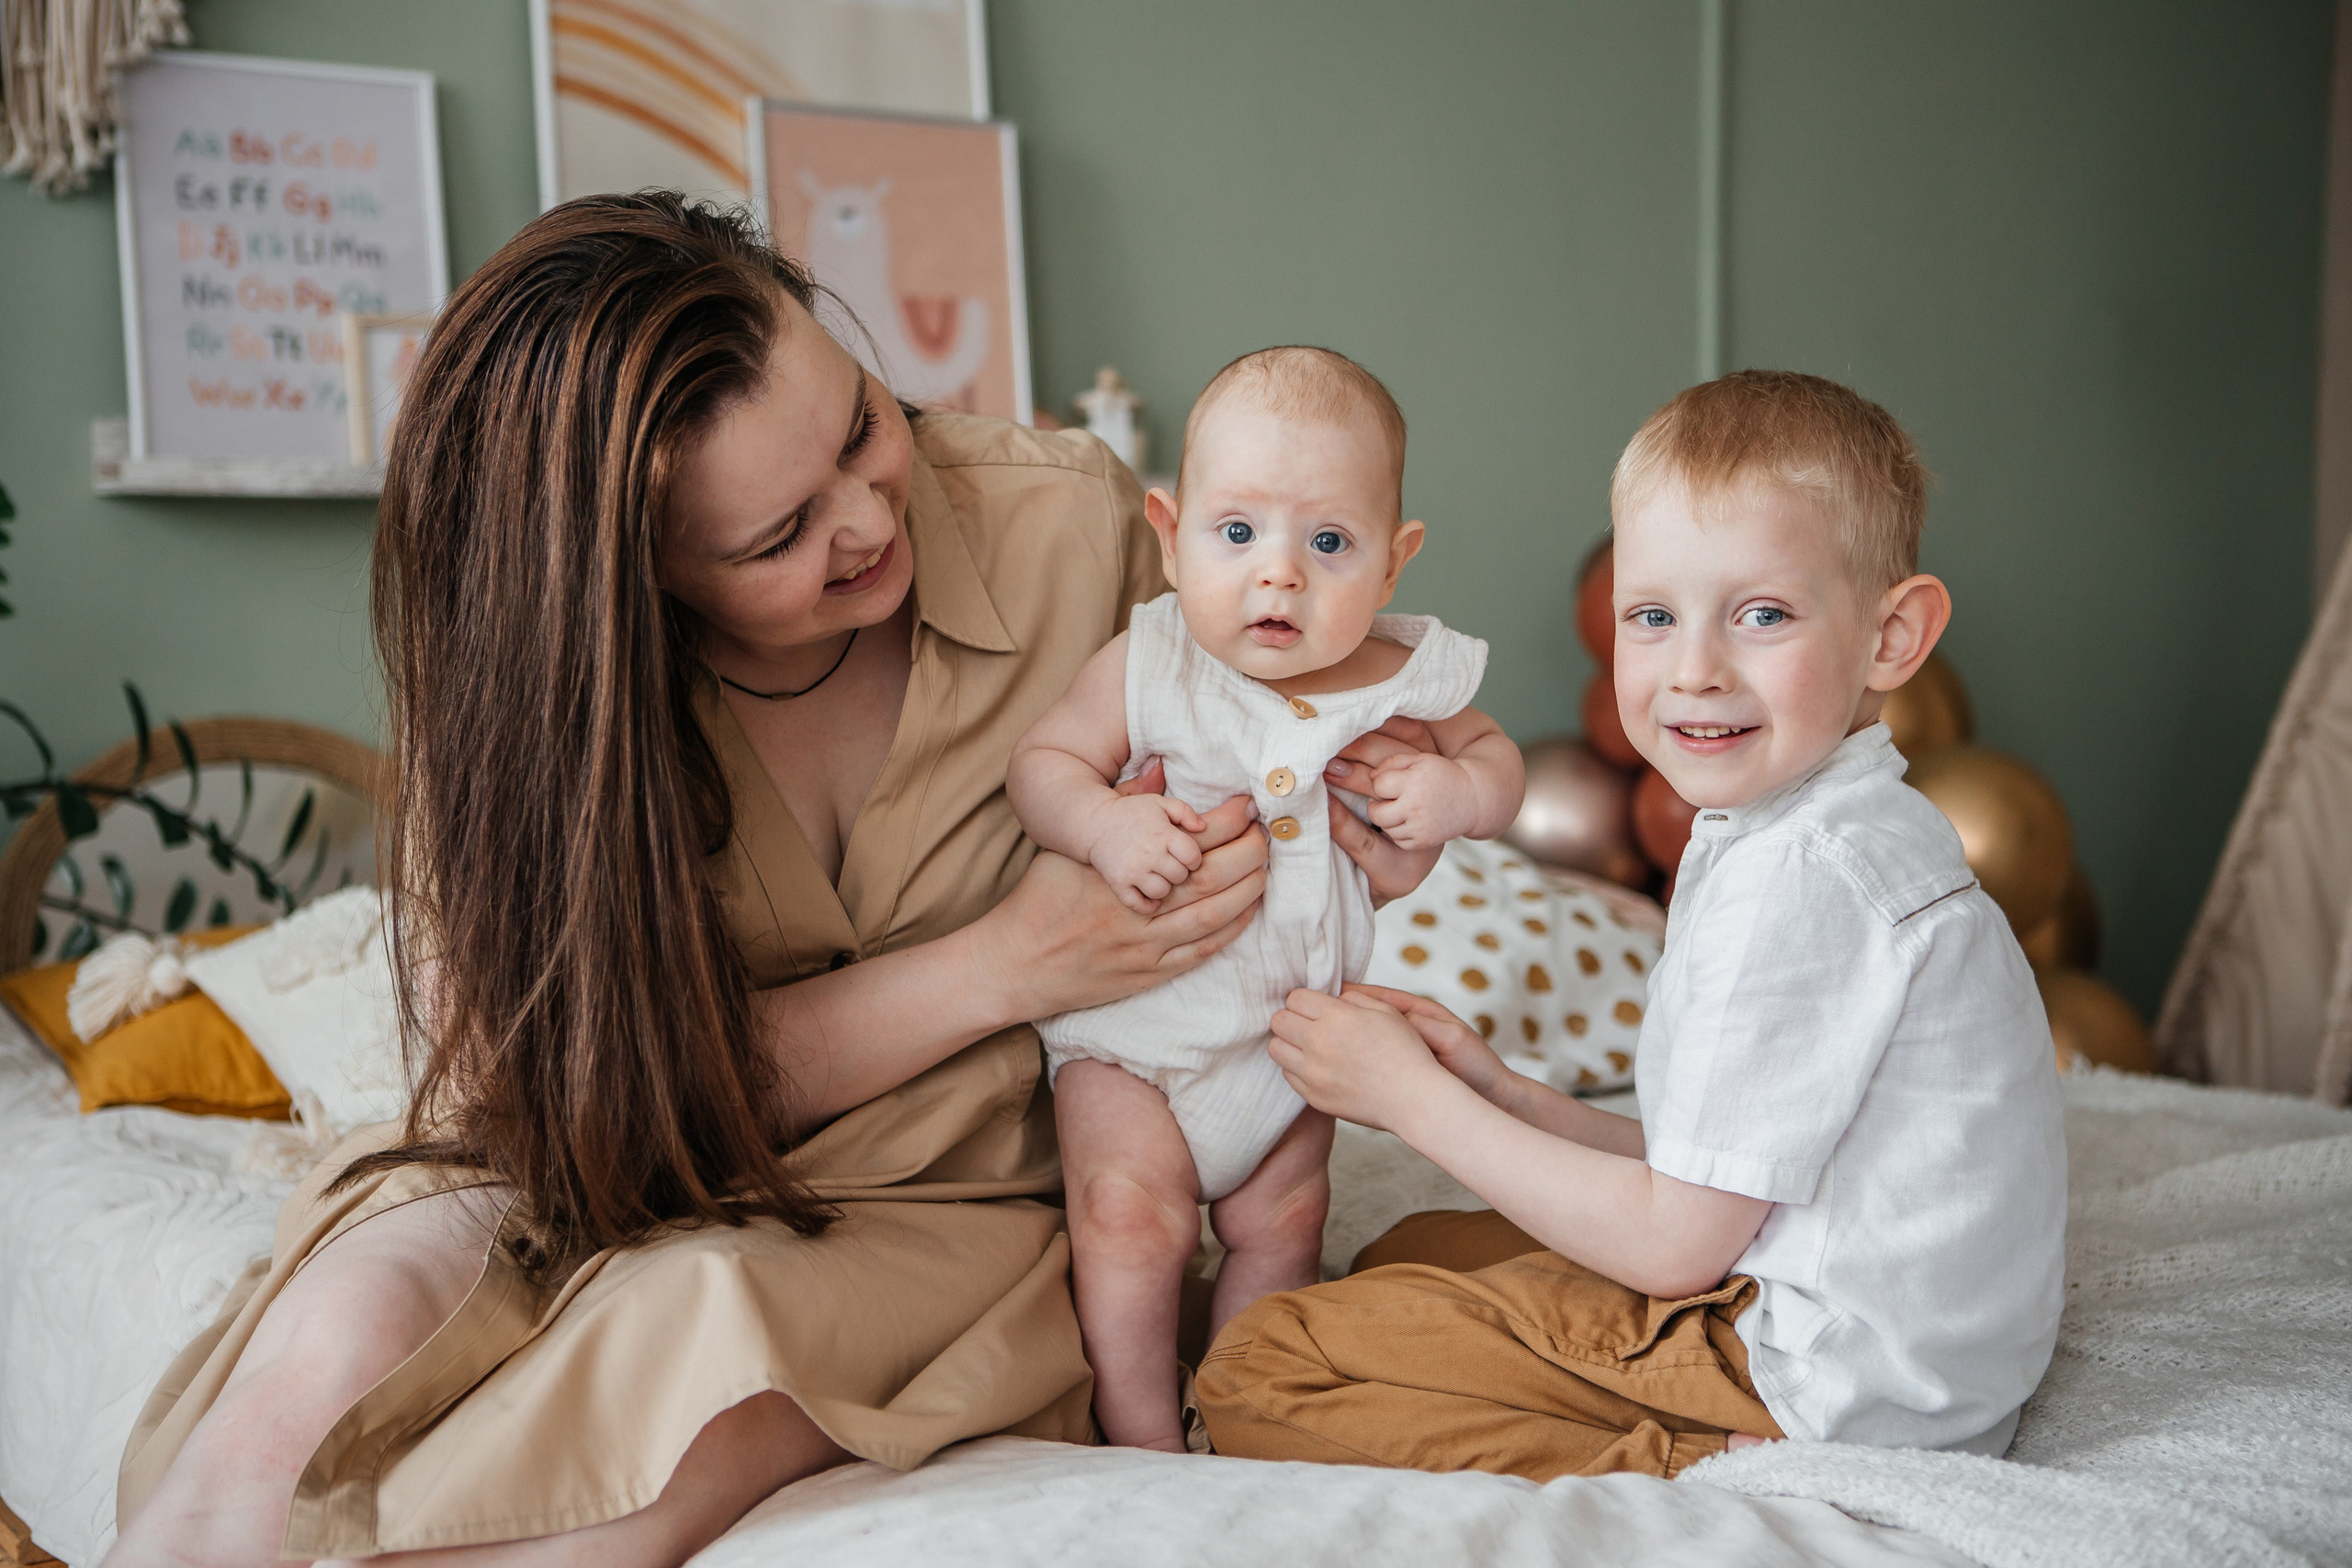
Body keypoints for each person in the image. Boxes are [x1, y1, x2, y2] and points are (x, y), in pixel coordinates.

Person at [104, 196, 1447, 1568]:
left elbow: (1304, 706)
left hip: (932, 1195)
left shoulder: (1068, 526)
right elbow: (539, 1106)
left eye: (864, 425)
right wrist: (1007, 959)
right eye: (779, 534)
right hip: (572, 1149)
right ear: (634, 580)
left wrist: (1374, 831)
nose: (871, 517)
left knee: (705, 1338)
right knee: (328, 1351)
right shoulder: (534, 689)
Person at [1195, 369, 2067, 1479]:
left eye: (1762, 615)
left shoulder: (1796, 879)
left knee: (1260, 1369)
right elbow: (1735, 1170)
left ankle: (1689, 1469)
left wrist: (1407, 1102)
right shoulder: (1841, 820)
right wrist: (1506, 1095)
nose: (1695, 670)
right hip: (1900, 1344)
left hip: (1820, 1383)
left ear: (1893, 637)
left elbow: (1674, 1244)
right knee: (1405, 1254)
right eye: (1654, 617)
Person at [1008, 348, 1524, 1452]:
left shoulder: (1403, 676)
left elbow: (1499, 765)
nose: (1278, 575)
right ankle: (1143, 1434)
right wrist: (1103, 822)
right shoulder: (1151, 662)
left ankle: (1235, 1413)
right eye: (1236, 534)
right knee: (1126, 1220)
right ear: (1170, 531)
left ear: (1394, 561)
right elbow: (1041, 764)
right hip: (1132, 1038)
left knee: (1285, 1226)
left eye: (1328, 543)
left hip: (1291, 1044)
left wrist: (1456, 791)